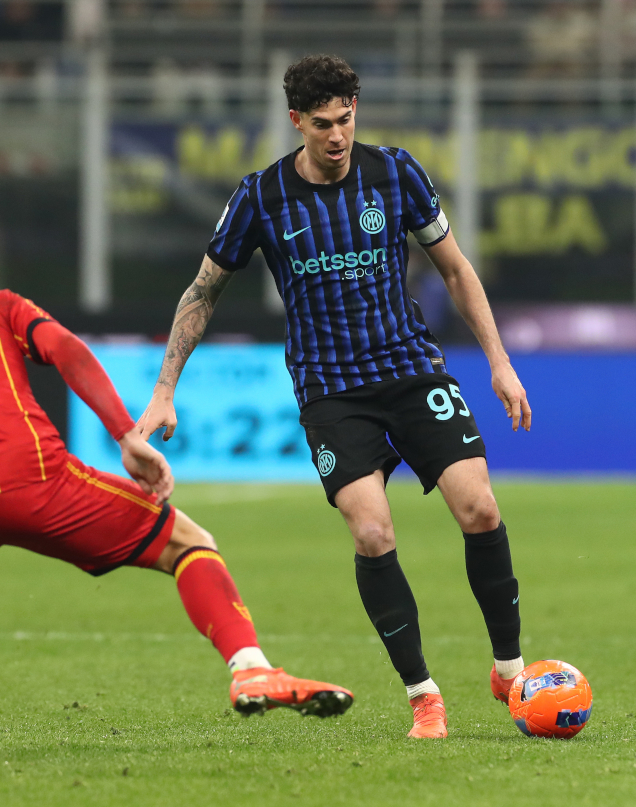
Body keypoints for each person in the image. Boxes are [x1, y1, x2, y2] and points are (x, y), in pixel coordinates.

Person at [0, 228, 353, 766]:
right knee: (187, 541)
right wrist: (126, 436)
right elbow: (67, 350)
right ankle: (250, 669)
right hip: (34, 481)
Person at [136, 54, 532, 740]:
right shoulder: (261, 196)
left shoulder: (396, 172)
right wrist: (164, 389)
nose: (338, 135)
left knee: (480, 506)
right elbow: (203, 291)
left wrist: (499, 362)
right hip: (331, 391)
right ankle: (424, 696)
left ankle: (510, 669)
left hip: (412, 369)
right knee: (373, 531)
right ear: (297, 121)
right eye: (322, 124)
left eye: (346, 119)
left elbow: (455, 269)